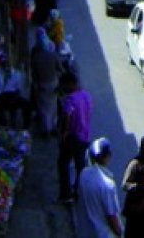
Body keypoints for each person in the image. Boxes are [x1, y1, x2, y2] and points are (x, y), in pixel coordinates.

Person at [75, 137, 123, 237]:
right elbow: (112, 217)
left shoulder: (83, 174)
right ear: (108, 156)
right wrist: (120, 234)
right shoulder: (108, 185)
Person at [58, 72, 93, 203]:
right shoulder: (86, 96)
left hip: (72, 137)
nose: (63, 88)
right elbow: (89, 113)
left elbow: (67, 114)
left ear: (70, 84)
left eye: (64, 85)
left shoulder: (70, 99)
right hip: (84, 136)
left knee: (63, 163)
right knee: (80, 165)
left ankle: (65, 194)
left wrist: (65, 132)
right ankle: (78, 191)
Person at [30, 28, 62, 137]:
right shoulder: (52, 55)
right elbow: (60, 68)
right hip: (53, 83)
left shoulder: (36, 56)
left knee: (44, 108)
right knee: (53, 106)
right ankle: (52, 127)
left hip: (41, 84)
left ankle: (46, 129)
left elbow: (33, 72)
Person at [0, 49, 32, 129]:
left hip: (13, 97)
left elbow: (19, 88)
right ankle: (2, 123)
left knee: (27, 105)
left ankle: (26, 126)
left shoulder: (16, 73)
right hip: (2, 97)